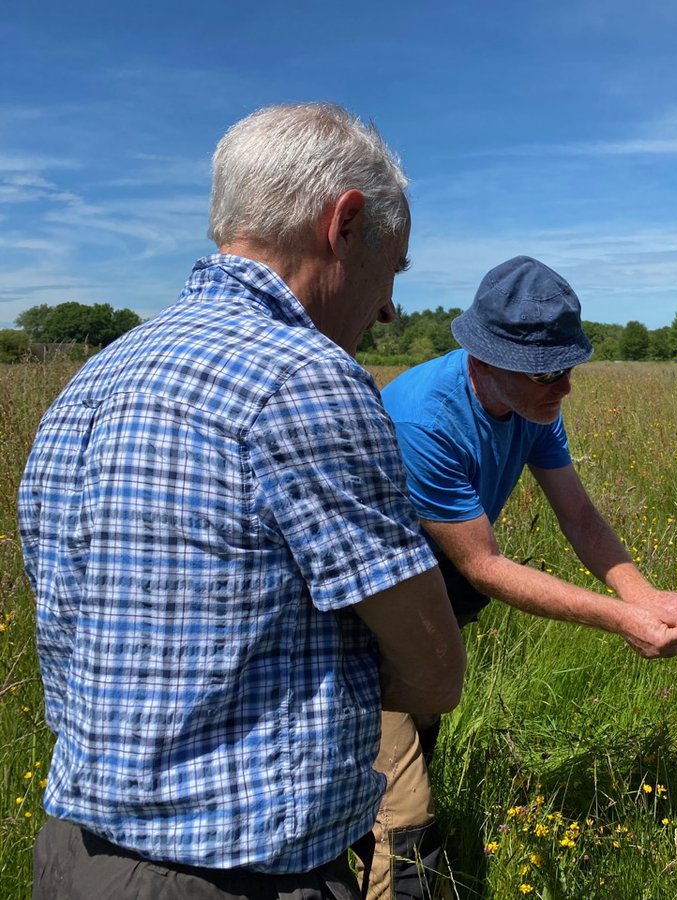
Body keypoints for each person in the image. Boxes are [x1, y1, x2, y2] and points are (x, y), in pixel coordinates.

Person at [18, 102, 467, 900]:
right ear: (345, 223)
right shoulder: (307, 378)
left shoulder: (92, 379)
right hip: (235, 874)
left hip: (71, 856)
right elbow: (434, 670)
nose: (389, 307)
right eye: (392, 269)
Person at [371, 255, 677, 899]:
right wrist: (624, 620)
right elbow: (485, 565)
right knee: (402, 815)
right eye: (546, 372)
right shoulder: (426, 420)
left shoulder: (531, 405)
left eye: (568, 368)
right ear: (485, 359)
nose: (564, 388)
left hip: (432, 608)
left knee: (412, 752)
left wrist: (645, 595)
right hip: (372, 622)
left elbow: (579, 516)